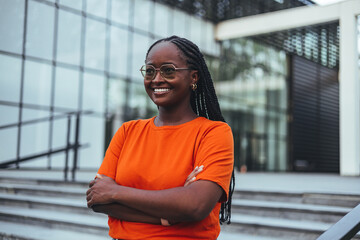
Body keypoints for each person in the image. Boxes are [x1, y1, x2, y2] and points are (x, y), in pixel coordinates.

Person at [86, 36, 235, 240]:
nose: (156, 79)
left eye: (168, 70)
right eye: (150, 71)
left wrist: (115, 192)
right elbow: (98, 200)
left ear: (193, 77)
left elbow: (195, 206)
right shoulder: (128, 131)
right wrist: (169, 214)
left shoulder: (213, 133)